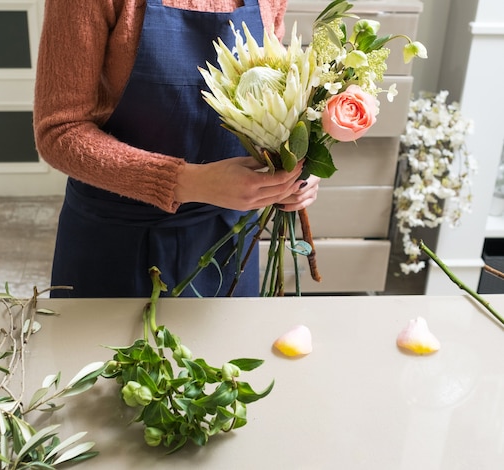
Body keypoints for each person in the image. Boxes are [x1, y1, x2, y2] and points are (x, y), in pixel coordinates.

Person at [33, 0, 320, 298]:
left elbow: (269, 94)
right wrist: (189, 182)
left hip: (228, 242)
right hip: (116, 241)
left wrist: (293, 164)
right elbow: (60, 131)